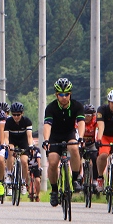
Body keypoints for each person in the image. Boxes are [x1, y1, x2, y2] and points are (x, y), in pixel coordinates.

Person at [41, 78, 86, 207]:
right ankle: (54, 190)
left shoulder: (77, 106)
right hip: (55, 136)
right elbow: (47, 125)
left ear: (70, 94)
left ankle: (76, 178)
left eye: (67, 94)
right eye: (61, 94)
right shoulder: (51, 108)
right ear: (56, 95)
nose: (64, 97)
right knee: (53, 161)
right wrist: (46, 140)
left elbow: (81, 122)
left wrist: (81, 137)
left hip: (69, 133)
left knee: (74, 148)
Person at [3, 102, 34, 194]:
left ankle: (24, 183)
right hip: (12, 141)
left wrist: (31, 146)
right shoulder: (8, 122)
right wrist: (7, 144)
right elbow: (6, 137)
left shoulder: (27, 121)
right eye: (14, 115)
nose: (16, 117)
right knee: (10, 151)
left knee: (24, 162)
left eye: (18, 115)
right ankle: (9, 174)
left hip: (23, 142)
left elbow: (29, 136)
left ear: (22, 113)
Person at [81, 104, 100, 189]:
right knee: (77, 155)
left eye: (88, 115)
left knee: (95, 157)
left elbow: (97, 132)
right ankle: (78, 177)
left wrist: (96, 142)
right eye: (85, 115)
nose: (86, 117)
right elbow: (77, 132)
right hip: (82, 142)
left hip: (92, 143)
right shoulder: (80, 121)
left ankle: (95, 179)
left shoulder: (95, 121)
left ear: (93, 115)